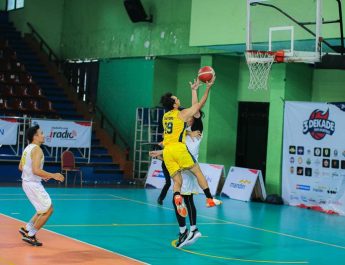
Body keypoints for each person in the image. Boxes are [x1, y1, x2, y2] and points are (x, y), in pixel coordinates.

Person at [150, 112, 204, 248]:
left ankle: (186, 231)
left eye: (190, 117)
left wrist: (161, 152)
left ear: (194, 120)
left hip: (186, 170)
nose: (187, 118)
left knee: (181, 200)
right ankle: (191, 229)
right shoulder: (184, 132)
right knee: (185, 200)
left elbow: (182, 151)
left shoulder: (196, 133)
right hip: (185, 169)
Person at [18, 125, 65, 246]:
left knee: (41, 209)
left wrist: (41, 176)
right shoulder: (37, 150)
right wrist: (54, 175)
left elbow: (21, 167)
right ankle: (31, 235)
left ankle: (27, 228)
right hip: (33, 184)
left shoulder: (28, 148)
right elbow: (35, 170)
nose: (44, 135)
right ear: (35, 136)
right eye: (41, 133)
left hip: (27, 182)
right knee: (49, 210)